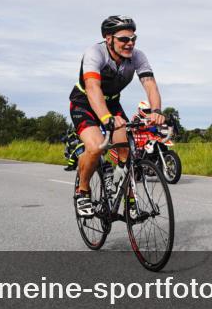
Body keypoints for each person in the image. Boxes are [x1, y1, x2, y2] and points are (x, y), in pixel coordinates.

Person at [69, 15, 166, 217]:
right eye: (123, 39)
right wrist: (106, 118)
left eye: (133, 39)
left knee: (126, 153)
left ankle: (128, 200)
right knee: (96, 147)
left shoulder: (138, 56)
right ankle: (83, 192)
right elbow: (93, 87)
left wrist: (156, 111)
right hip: (85, 102)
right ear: (108, 38)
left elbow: (150, 85)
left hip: (112, 103)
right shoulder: (95, 53)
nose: (129, 43)